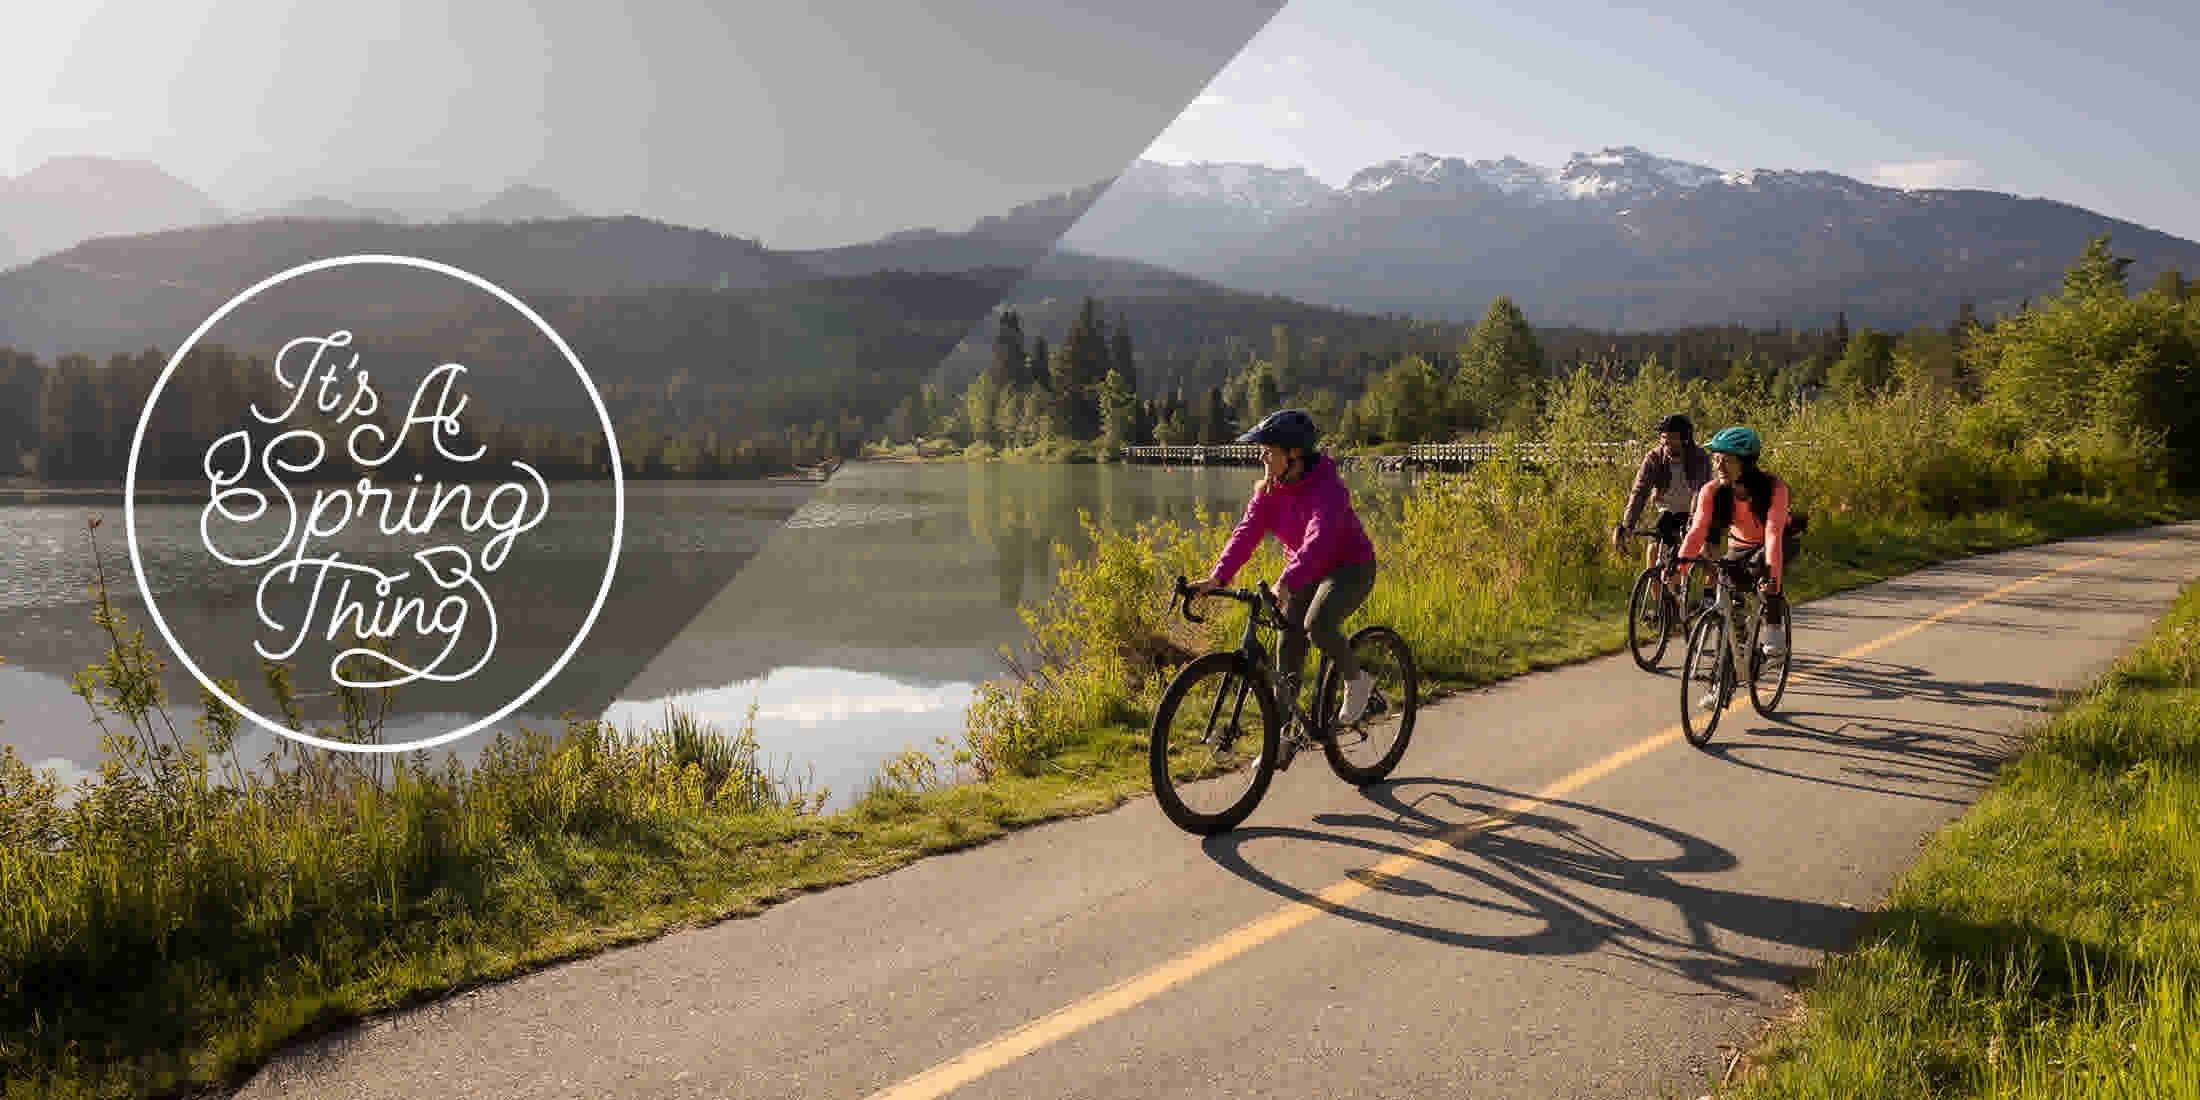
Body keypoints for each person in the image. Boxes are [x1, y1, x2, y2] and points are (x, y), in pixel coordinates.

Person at [1190, 409, 1380, 727]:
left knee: (1318, 624)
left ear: (1294, 453)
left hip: (1350, 567)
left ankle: (1357, 681)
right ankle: (1283, 733)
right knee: (1287, 642)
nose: (1261, 457)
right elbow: (1246, 532)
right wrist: (1218, 576)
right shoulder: (1270, 490)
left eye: (1268, 451)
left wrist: (1286, 581)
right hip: (1306, 570)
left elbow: (1319, 539)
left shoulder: (1327, 488)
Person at [1667, 426, 1803, 662]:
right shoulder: (1712, 491)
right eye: (1716, 459)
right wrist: (1679, 568)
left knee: (1764, 569)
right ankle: (1733, 656)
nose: (1718, 466)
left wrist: (1772, 578)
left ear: (1747, 463)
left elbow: (1772, 535)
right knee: (1728, 585)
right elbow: (1697, 532)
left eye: (1726, 460)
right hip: (1740, 544)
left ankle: (1773, 629)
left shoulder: (1774, 488)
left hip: (1780, 541)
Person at [1612, 413, 1713, 569]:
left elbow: (1699, 492)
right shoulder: (1654, 458)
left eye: (1672, 439)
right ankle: (1653, 585)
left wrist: (1692, 524)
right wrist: (1627, 525)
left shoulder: (1699, 458)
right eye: (1664, 439)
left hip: (1692, 511)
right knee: (1654, 546)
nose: (1667, 444)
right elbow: (1639, 491)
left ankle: (1686, 587)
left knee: (1692, 555)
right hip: (1666, 510)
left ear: (1685, 439)